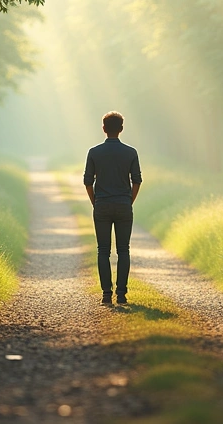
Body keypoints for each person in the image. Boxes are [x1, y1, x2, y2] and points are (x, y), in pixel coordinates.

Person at [83, 111, 142, 305]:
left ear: (103, 129)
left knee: (103, 250)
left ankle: (106, 294)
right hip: (124, 204)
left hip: (102, 205)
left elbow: (87, 182)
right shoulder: (131, 152)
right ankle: (122, 294)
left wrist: (95, 201)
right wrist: (129, 200)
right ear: (121, 129)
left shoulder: (94, 152)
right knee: (124, 250)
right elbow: (137, 181)